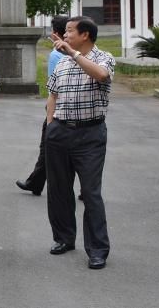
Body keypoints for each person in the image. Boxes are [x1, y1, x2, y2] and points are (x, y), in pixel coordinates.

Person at [44, 16, 115, 270]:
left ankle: (97, 249)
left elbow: (101, 75)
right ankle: (64, 238)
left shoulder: (104, 58)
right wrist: (50, 125)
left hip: (90, 135)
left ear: (85, 34)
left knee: (91, 193)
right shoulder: (62, 62)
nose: (65, 35)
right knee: (59, 190)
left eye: (70, 31)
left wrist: (73, 54)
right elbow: (52, 95)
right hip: (60, 132)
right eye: (65, 32)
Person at [16, 15, 68, 196]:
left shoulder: (56, 54)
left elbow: (54, 86)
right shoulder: (81, 53)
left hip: (58, 107)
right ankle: (86, 189)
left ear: (55, 33)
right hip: (75, 109)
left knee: (47, 146)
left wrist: (51, 114)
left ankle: (35, 182)